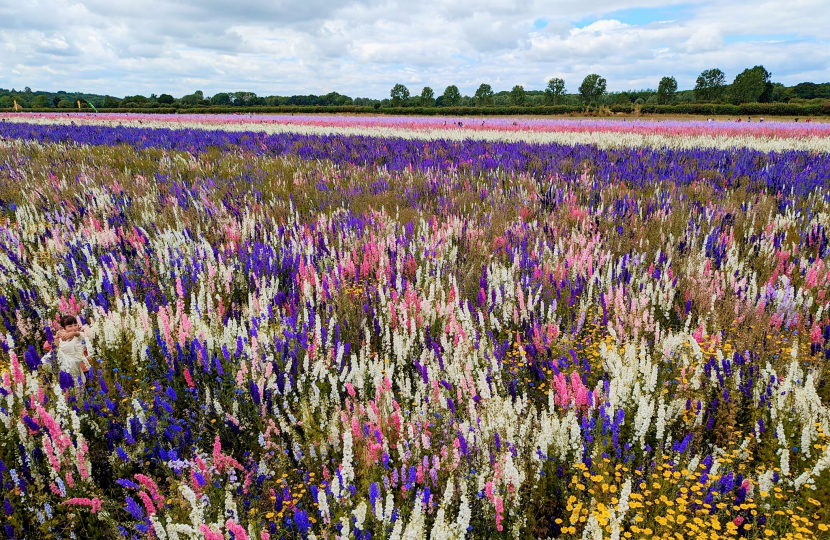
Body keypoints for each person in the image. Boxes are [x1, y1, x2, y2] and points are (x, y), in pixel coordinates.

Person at [46, 315, 91, 382]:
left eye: (75, 325)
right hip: (65, 369)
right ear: (64, 328)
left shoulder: (78, 336)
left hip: (77, 366)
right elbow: (47, 346)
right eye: (70, 326)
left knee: (78, 386)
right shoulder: (61, 339)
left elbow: (82, 335)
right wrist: (56, 337)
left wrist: (73, 333)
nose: (74, 328)